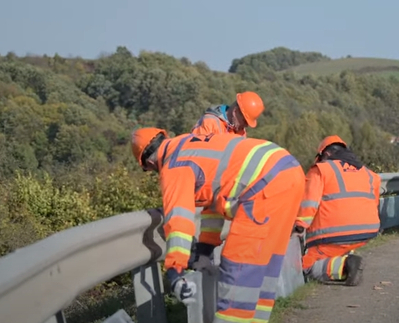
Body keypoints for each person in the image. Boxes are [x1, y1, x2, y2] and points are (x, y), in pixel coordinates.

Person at [130, 127, 305, 323]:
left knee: (238, 267)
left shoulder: (174, 165)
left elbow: (178, 220)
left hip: (263, 186)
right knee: (263, 266)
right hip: (289, 171)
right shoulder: (190, 144)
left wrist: (176, 270)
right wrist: (205, 248)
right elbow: (214, 202)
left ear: (150, 163)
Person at [293, 135, 381, 286]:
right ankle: (346, 257)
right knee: (340, 248)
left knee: (306, 266)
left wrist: (300, 225)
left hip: (334, 234)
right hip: (367, 231)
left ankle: (345, 266)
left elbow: (310, 202)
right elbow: (374, 202)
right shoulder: (369, 173)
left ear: (325, 154)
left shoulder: (321, 169)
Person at [191, 91, 264, 137]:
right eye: (245, 121)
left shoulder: (241, 132)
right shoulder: (210, 123)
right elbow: (195, 151)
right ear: (235, 111)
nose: (246, 125)